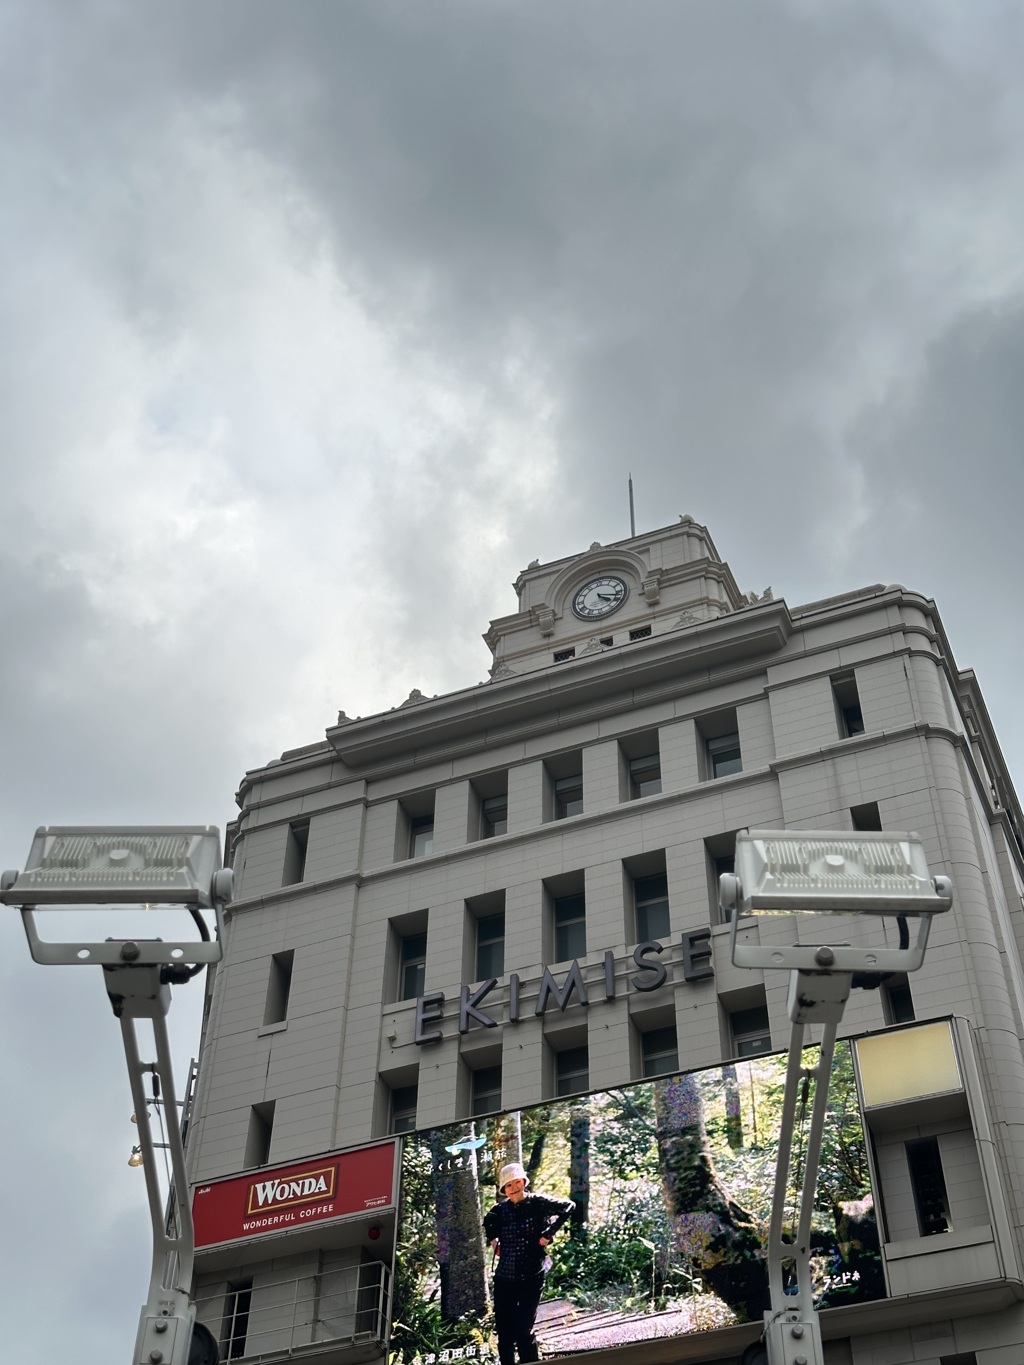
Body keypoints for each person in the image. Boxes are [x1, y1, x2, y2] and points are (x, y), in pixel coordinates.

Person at [483, 1162, 575, 1365]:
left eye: (517, 1182)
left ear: (524, 1182)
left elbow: (569, 1206)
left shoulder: (538, 1202)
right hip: (504, 1278)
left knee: (524, 1330)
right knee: (505, 1334)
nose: (514, 1187)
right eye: (509, 1185)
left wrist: (548, 1233)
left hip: (531, 1276)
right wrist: (494, 1241)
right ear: (504, 1189)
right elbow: (489, 1225)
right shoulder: (498, 1211)